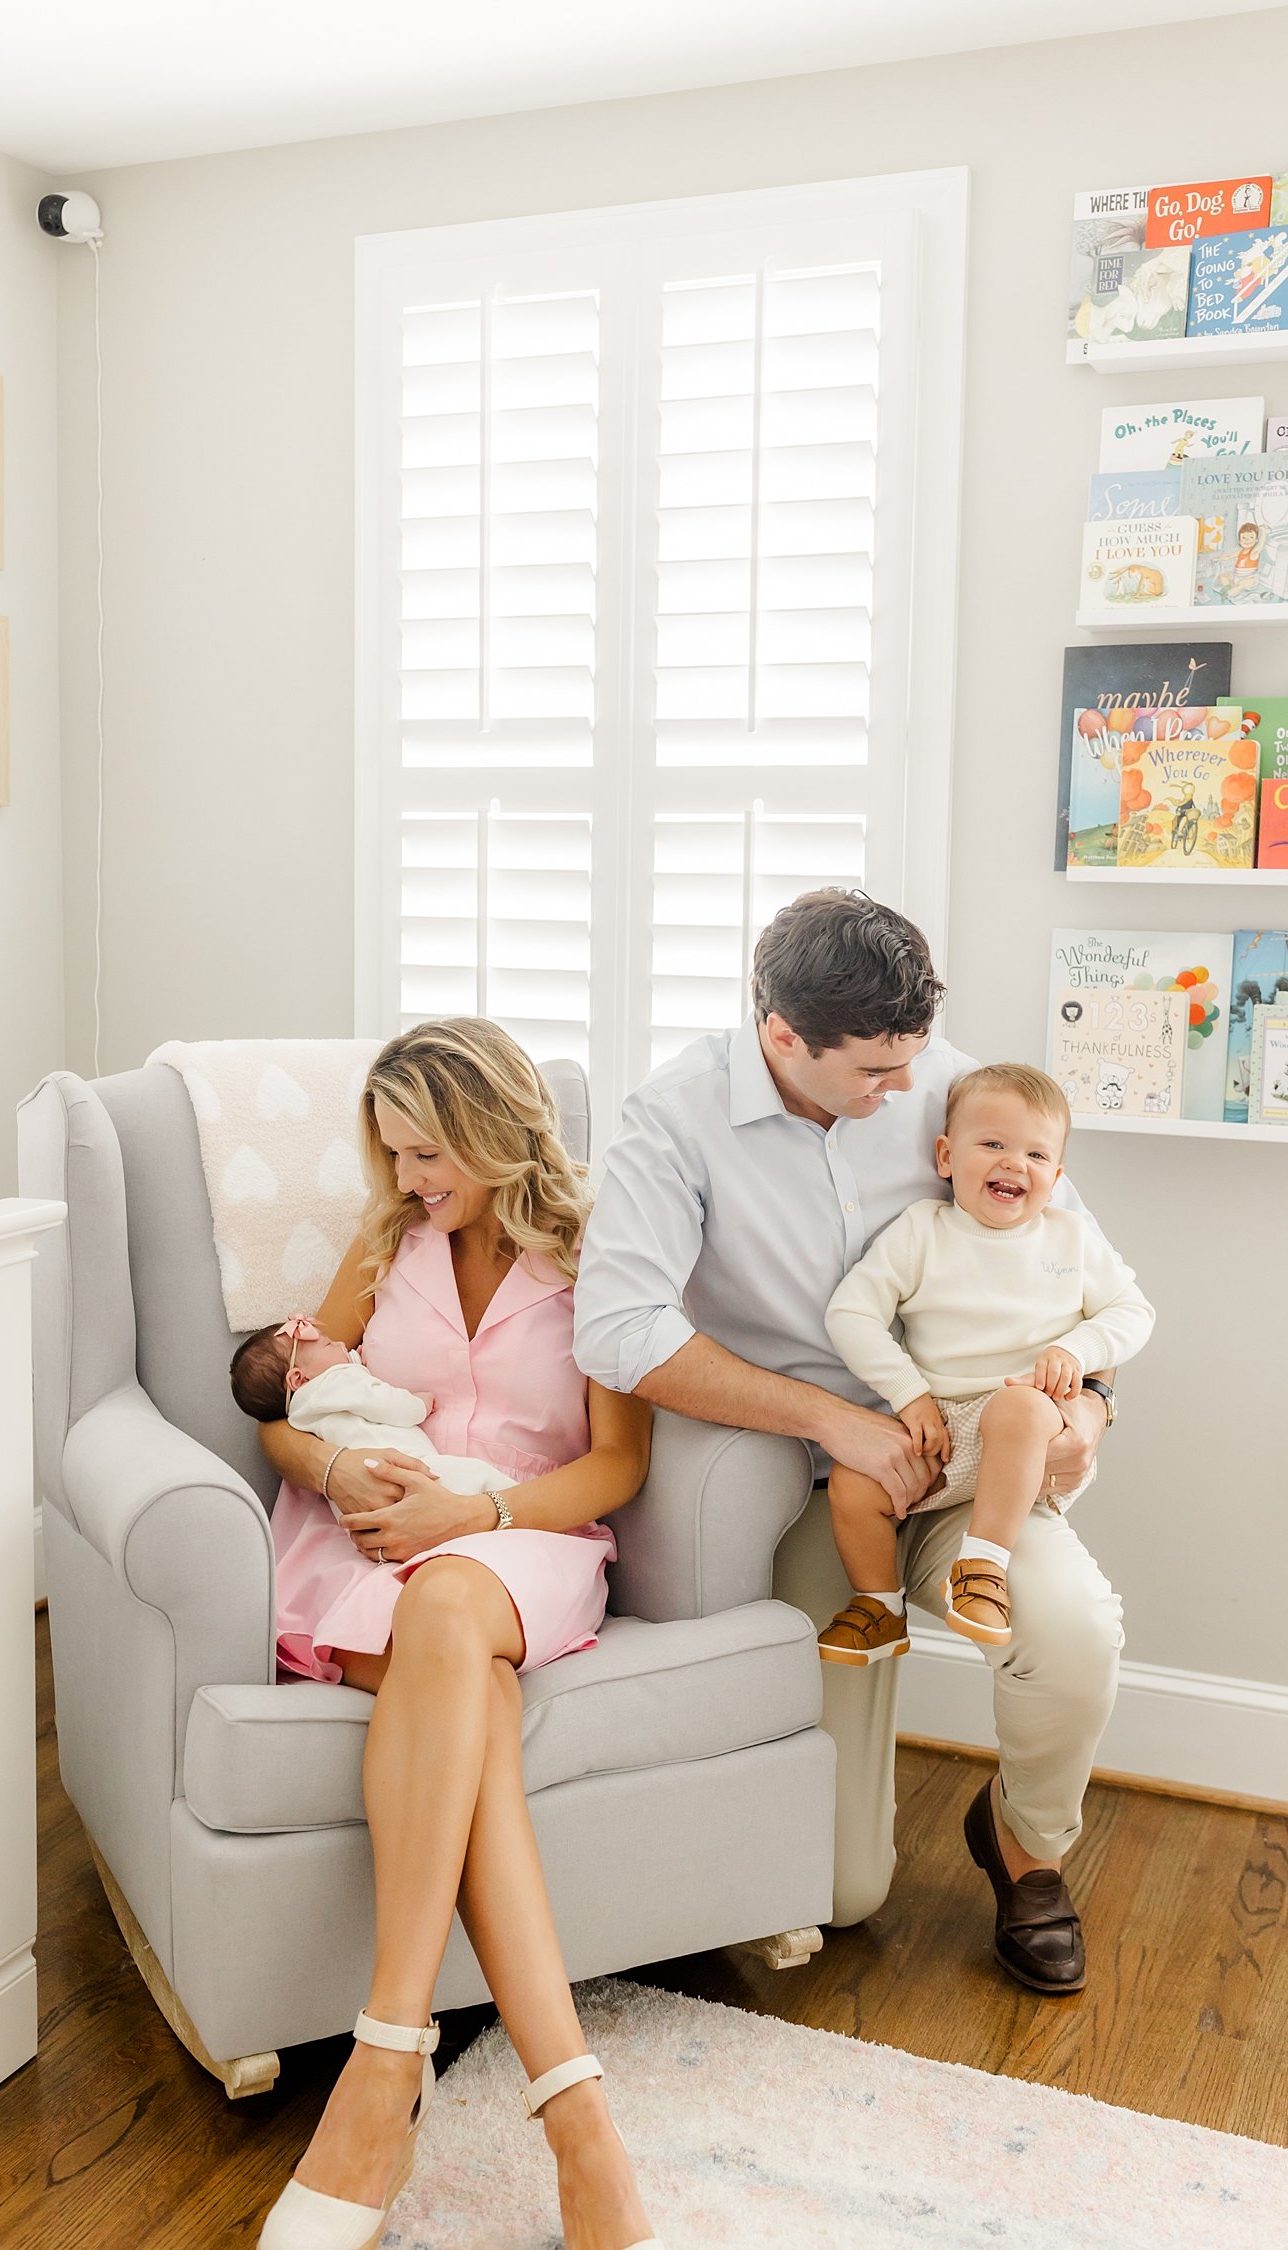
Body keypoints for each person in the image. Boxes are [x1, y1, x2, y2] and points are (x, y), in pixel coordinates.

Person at [573, 890, 1123, 1998]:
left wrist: (1088, 1410)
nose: (903, 1091)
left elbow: (1071, 1261)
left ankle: (1026, 1847)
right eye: (874, 1073)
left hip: (974, 1456)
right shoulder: (673, 1119)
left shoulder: (943, 1077)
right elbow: (616, 1327)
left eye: (910, 1059)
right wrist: (841, 1424)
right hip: (817, 1479)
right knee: (843, 1892)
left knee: (1074, 1641)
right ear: (783, 1037)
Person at [250, 1018, 660, 2250]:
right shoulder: (387, 1249)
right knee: (462, 1697)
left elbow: (620, 1466)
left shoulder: (601, 1253)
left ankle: (383, 2071)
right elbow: (287, 1413)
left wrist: (473, 1508)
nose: (411, 1180)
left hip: (526, 1538)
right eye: (393, 1156)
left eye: (428, 1152)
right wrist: (335, 1461)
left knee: (451, 1611)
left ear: (492, 1124)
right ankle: (579, 2123)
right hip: (372, 1546)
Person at [817, 1062, 1153, 1661]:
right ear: (946, 1156)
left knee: (1018, 1408)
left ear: (1055, 1175)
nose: (1013, 1163)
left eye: (1035, 1154)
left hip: (1026, 1431)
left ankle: (983, 1568)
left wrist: (1075, 1352)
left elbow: (1133, 1312)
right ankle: (879, 1606)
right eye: (992, 1144)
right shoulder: (923, 1230)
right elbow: (850, 1313)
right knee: (852, 1481)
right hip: (936, 1427)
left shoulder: (1070, 1237)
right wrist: (908, 1394)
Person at [230, 1313, 517, 1506]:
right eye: (329, 1344)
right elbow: (385, 1404)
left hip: (362, 1498)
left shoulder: (301, 1414)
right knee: (477, 1476)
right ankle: (521, 1502)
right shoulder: (337, 1380)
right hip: (409, 1468)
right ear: (298, 1378)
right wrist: (419, 1404)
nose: (343, 1344)